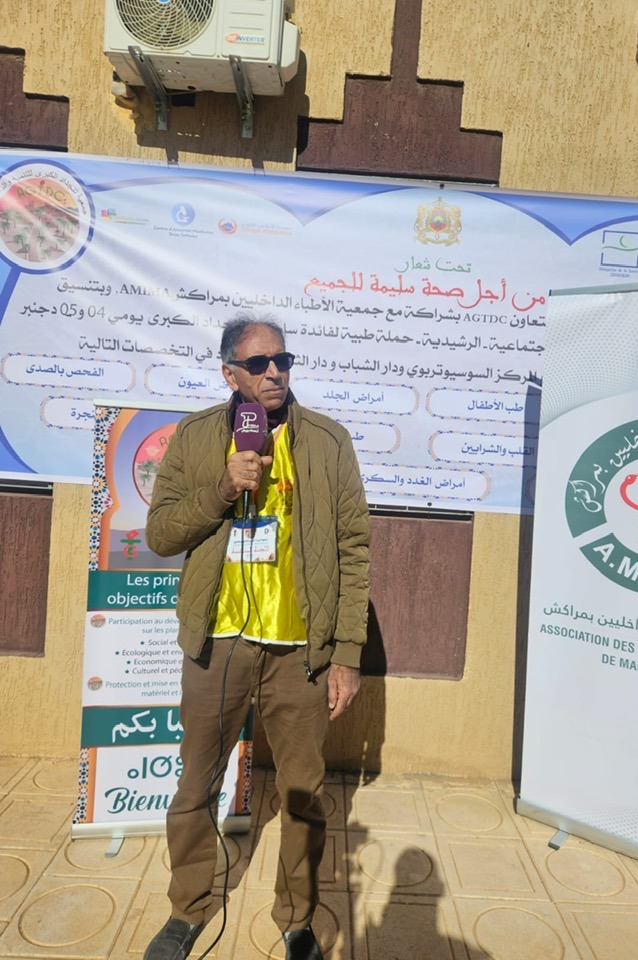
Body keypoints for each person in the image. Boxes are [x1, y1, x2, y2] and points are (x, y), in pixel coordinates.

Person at [143, 315, 370, 960]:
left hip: (300, 650)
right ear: (229, 374)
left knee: (303, 794)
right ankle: (188, 908)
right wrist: (222, 488)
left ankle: (296, 917)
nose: (274, 373)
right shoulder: (195, 436)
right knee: (196, 785)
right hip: (220, 643)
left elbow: (354, 548)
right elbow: (160, 535)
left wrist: (347, 655)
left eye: (283, 361)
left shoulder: (327, 440)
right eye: (259, 363)